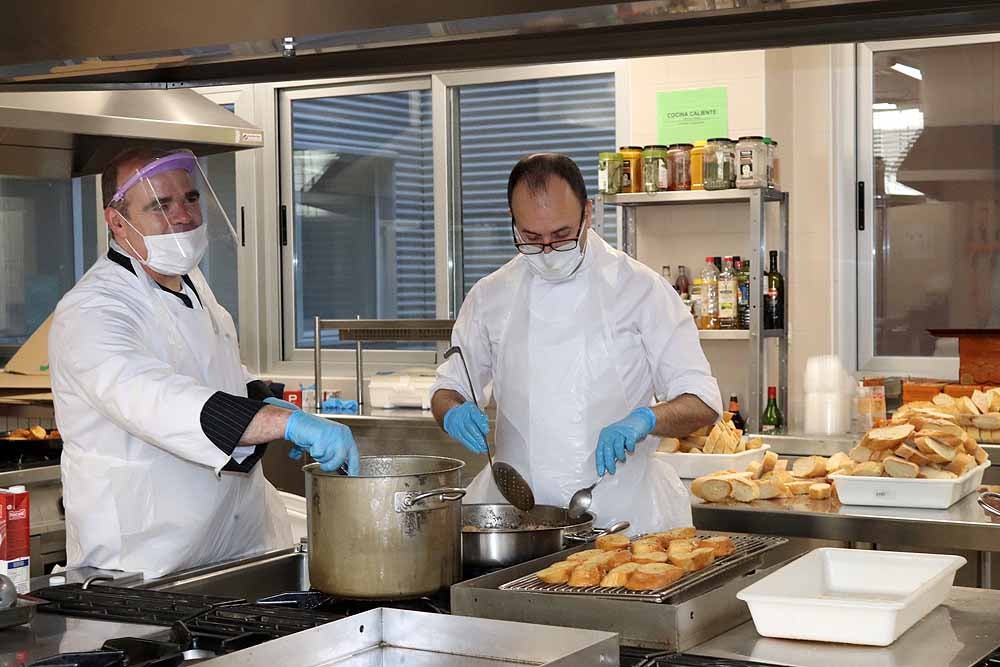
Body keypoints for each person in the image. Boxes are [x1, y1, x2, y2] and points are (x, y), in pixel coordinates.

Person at [49, 147, 360, 578]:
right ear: (117, 221)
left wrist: (264, 401)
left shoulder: (192, 282)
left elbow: (211, 366)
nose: (183, 216)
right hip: (148, 561)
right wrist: (277, 423)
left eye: (190, 199)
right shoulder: (92, 310)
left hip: (234, 545)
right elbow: (154, 397)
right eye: (160, 205)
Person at [430, 154, 721, 534]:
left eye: (562, 235)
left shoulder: (641, 290)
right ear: (512, 220)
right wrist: (452, 409)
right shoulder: (491, 296)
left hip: (625, 517)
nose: (548, 251)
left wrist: (647, 419)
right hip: (516, 520)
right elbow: (447, 388)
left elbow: (703, 401)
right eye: (531, 238)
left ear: (589, 213)